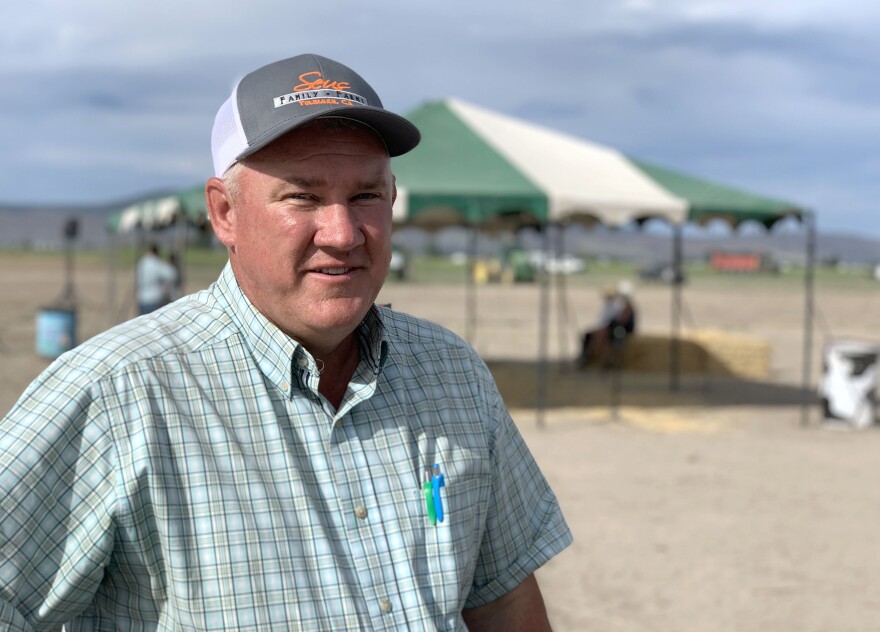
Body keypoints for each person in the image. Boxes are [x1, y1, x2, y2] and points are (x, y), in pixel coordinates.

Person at [0, 53, 571, 631]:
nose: (344, 233)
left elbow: (501, 596)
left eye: (365, 196)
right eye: (302, 197)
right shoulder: (120, 393)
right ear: (225, 212)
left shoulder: (451, 373)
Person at [577, 281, 637, 369]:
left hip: (619, 330)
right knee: (590, 336)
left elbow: (622, 321)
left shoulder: (623, 306)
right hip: (613, 328)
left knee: (608, 339)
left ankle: (602, 360)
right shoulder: (619, 305)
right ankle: (589, 356)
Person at [135, 242, 179, 314]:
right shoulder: (157, 263)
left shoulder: (142, 262)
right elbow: (171, 275)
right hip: (154, 300)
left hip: (142, 300)